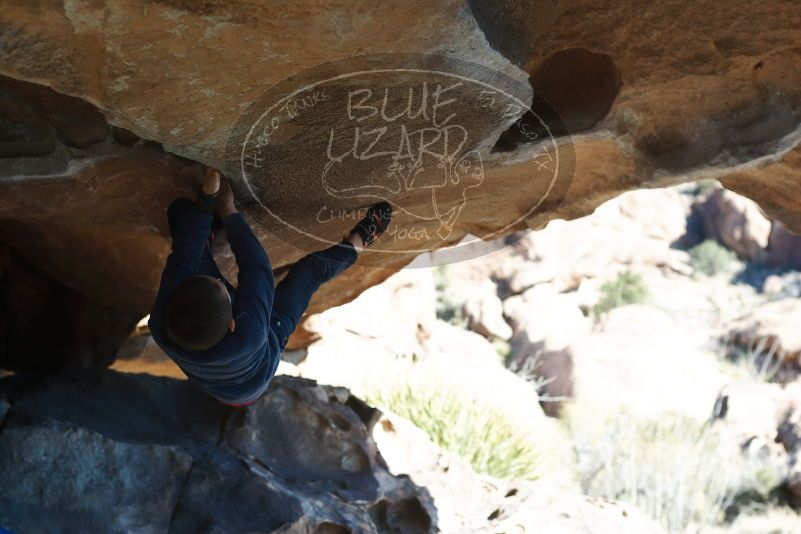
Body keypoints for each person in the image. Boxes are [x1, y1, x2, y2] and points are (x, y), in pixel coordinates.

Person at [148, 168, 392, 406]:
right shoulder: (251, 332)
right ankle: (357, 242)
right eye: (223, 287)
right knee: (309, 272)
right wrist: (228, 210)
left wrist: (207, 198)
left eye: (207, 279)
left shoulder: (162, 321)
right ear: (233, 322)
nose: (220, 279)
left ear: (180, 292)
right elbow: (256, 267)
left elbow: (185, 255)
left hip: (212, 376)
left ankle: (209, 233)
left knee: (181, 214)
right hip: (258, 367)